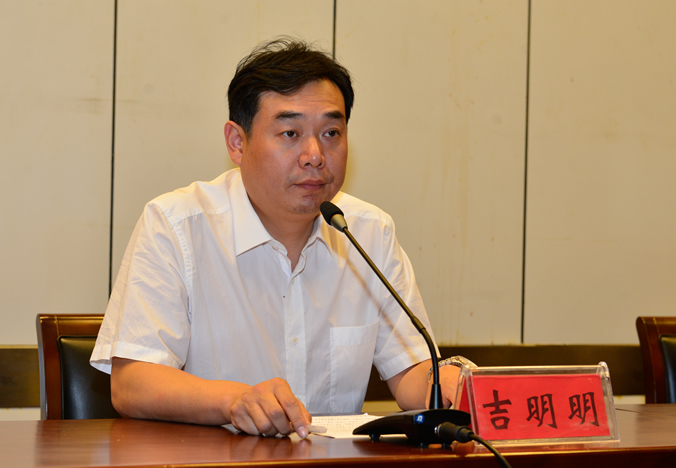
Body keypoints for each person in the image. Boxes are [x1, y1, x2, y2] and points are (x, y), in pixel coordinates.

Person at [90, 38, 464, 438]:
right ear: (237, 143)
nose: (314, 155)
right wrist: (234, 400)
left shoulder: (369, 232)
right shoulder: (176, 225)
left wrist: (456, 384)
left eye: (331, 132)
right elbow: (132, 384)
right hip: (216, 462)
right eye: (290, 133)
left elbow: (413, 375)